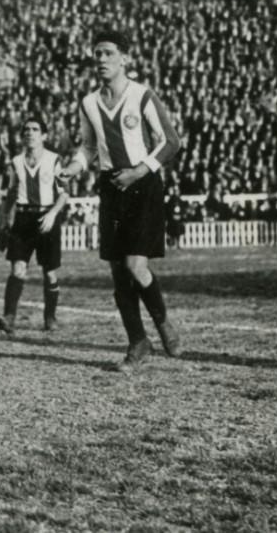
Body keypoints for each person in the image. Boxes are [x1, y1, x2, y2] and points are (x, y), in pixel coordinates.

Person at [58, 30, 183, 373]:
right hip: (111, 186)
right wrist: (73, 167)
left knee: (135, 266)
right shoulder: (87, 103)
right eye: (97, 53)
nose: (100, 59)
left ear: (124, 59)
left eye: (108, 53)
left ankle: (162, 322)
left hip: (143, 185)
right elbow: (87, 147)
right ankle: (137, 342)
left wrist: (140, 170)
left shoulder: (141, 96)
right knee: (117, 272)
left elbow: (170, 141)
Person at [0, 118, 68, 335]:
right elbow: (10, 193)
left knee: (50, 273)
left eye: (35, 130)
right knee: (17, 268)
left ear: (44, 136)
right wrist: (5, 220)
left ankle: (50, 318)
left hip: (47, 218)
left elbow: (64, 194)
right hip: (23, 219)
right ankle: (9, 317)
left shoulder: (54, 160)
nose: (30, 133)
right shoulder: (16, 162)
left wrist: (53, 214)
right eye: (26, 129)